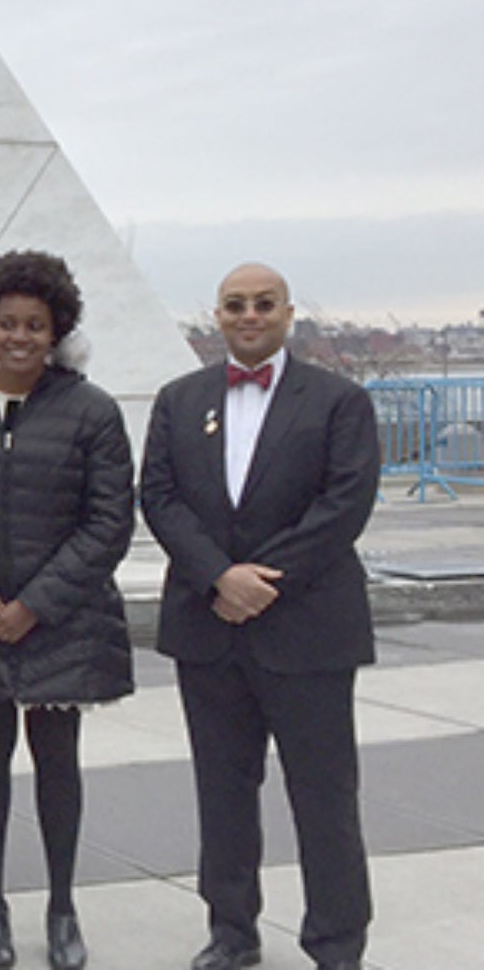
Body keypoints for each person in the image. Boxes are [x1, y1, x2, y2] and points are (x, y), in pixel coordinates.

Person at [141, 263, 380, 970]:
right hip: (209, 628)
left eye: (264, 304)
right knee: (222, 793)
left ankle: (336, 939)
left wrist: (259, 581)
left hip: (307, 627)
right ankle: (232, 930)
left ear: (287, 313)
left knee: (324, 795)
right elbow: (158, 496)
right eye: (235, 304)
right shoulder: (179, 400)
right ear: (216, 315)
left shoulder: (339, 400)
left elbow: (344, 505)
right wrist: (219, 574)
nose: (250, 315)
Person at [0, 251, 135, 970]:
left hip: (61, 623)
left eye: (35, 325)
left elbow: (108, 523)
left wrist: (34, 605)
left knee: (57, 765)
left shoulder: (91, 411)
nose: (20, 337)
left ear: (56, 328)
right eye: (7, 323)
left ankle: (62, 904)